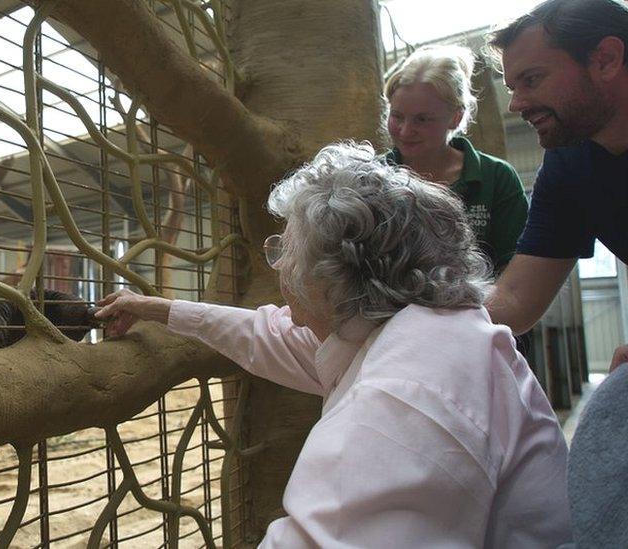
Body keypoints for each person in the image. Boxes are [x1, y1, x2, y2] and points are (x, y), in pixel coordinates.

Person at [95, 142, 571, 547]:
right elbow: (263, 334)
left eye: (287, 249)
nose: (278, 267)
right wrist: (156, 309)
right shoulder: (413, 332)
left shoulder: (405, 392)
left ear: (335, 275)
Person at [485, 0, 628, 342]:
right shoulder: (570, 161)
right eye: (512, 88)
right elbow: (516, 301)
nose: (516, 104)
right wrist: (407, 308)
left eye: (531, 80)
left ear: (605, 59)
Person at [383, 45, 528, 274]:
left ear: (455, 117)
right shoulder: (370, 177)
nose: (405, 130)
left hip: (477, 306)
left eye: (422, 120)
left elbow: (513, 269)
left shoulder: (496, 177)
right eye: (397, 116)